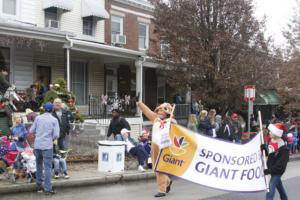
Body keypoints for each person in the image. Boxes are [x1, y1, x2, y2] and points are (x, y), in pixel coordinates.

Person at [137, 101, 175, 198]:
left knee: (160, 168)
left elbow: (176, 133)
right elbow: (147, 111)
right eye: (158, 110)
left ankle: (162, 190)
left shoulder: (171, 121)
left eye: (162, 111)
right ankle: (168, 181)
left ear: (167, 112)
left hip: (165, 147)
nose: (159, 112)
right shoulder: (155, 119)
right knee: (156, 168)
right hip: (154, 147)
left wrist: (173, 123)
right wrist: (139, 103)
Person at [30, 102, 59, 195]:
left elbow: (31, 130)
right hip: (47, 146)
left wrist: (38, 135)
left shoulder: (38, 118)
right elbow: (56, 135)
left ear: (43, 109)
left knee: (38, 164)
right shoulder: (54, 120)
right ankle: (47, 189)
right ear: (52, 109)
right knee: (47, 167)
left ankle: (39, 185)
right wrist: (51, 138)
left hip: (37, 145)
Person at [262, 123, 289, 200]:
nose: (269, 132)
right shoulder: (271, 140)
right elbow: (271, 156)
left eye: (271, 131)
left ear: (276, 133)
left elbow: (281, 165)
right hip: (272, 169)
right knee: (279, 187)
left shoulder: (284, 149)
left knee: (270, 187)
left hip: (278, 171)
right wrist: (264, 150)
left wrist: (269, 170)